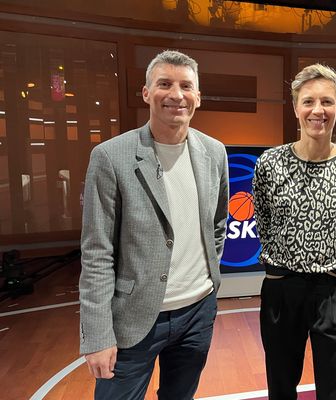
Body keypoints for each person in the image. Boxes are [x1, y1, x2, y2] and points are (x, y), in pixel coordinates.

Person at [79, 49, 229, 399]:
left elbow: (217, 225)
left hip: (197, 313)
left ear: (198, 97)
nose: (176, 95)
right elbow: (97, 252)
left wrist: (206, 280)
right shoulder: (110, 157)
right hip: (134, 319)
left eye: (186, 86)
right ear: (146, 93)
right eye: (165, 84)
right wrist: (98, 335)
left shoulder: (214, 152)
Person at [252, 63, 336, 400]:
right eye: (308, 101)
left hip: (333, 289)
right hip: (281, 287)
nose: (317, 110)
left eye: (326, 102)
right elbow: (264, 220)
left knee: (335, 391)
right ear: (295, 107)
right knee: (280, 386)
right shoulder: (269, 163)